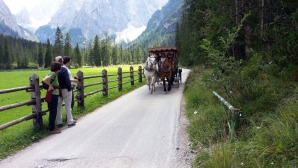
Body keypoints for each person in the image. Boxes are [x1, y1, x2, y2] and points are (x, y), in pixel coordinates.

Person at [55, 56, 76, 128]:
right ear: (62, 62)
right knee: (68, 105)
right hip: (66, 89)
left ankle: (59, 122)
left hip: (58, 89)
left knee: (58, 106)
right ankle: (70, 122)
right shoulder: (64, 69)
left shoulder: (55, 69)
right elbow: (67, 80)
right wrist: (70, 87)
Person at [42, 62, 62, 134]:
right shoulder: (53, 74)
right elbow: (44, 80)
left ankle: (52, 127)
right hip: (53, 95)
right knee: (53, 111)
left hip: (52, 94)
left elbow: (44, 79)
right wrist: (50, 85)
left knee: (52, 111)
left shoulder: (51, 73)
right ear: (58, 68)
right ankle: (51, 129)